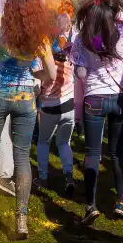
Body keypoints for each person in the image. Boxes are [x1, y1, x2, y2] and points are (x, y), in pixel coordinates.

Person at [0, 0, 57, 241]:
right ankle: (21, 219)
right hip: (25, 98)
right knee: (22, 156)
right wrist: (37, 79)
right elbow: (52, 74)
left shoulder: (1, 28)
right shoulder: (41, 39)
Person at [71, 0, 123, 224]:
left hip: (93, 99)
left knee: (92, 153)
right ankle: (121, 201)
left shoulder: (82, 37)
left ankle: (91, 206)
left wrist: (88, 77)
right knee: (118, 152)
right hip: (119, 99)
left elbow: (78, 70)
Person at [34, 37, 75, 194]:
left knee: (43, 142)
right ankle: (69, 177)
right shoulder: (70, 59)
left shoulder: (41, 60)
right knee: (64, 143)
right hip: (68, 106)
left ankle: (43, 177)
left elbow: (37, 86)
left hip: (50, 108)